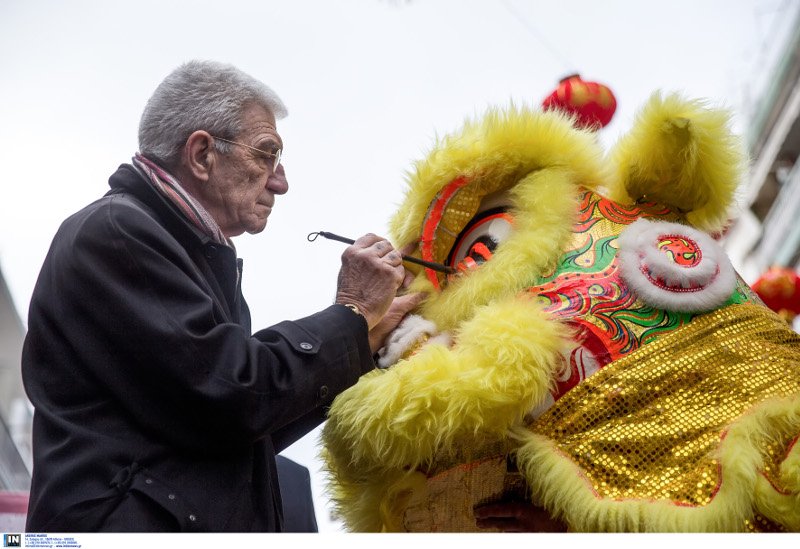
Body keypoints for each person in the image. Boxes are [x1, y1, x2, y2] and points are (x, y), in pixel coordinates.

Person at [21, 59, 423, 532]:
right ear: (201, 154)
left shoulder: (186, 250)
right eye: (266, 154)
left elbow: (241, 426)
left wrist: (366, 338)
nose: (281, 182)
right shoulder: (118, 233)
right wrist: (352, 311)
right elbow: (233, 396)